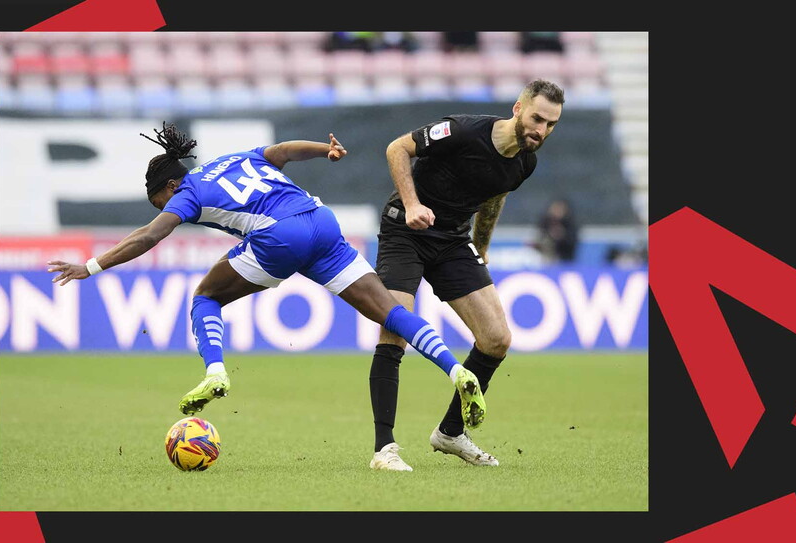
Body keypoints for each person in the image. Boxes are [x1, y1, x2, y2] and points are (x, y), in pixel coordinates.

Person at [46, 122, 487, 470]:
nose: (165, 210)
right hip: (321, 220)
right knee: (390, 312)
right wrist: (324, 149)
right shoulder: (232, 159)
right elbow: (282, 152)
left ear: (168, 188)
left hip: (280, 237)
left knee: (205, 297)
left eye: (161, 202)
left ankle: (216, 371)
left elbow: (150, 236)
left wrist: (90, 266)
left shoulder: (188, 193)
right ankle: (454, 370)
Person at [368, 79, 565, 470]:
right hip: (406, 231)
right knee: (394, 331)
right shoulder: (463, 130)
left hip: (453, 242)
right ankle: (384, 449)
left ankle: (450, 432)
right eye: (537, 118)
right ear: (517, 108)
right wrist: (410, 204)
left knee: (496, 339)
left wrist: (483, 246)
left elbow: (494, 196)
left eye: (551, 124)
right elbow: (397, 148)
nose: (541, 130)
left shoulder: (525, 161)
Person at [536, 198, 579, 263]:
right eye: (555, 208)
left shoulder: (569, 224)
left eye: (560, 209)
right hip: (544, 259)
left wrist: (562, 236)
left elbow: (572, 242)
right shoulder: (545, 223)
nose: (557, 211)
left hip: (564, 260)